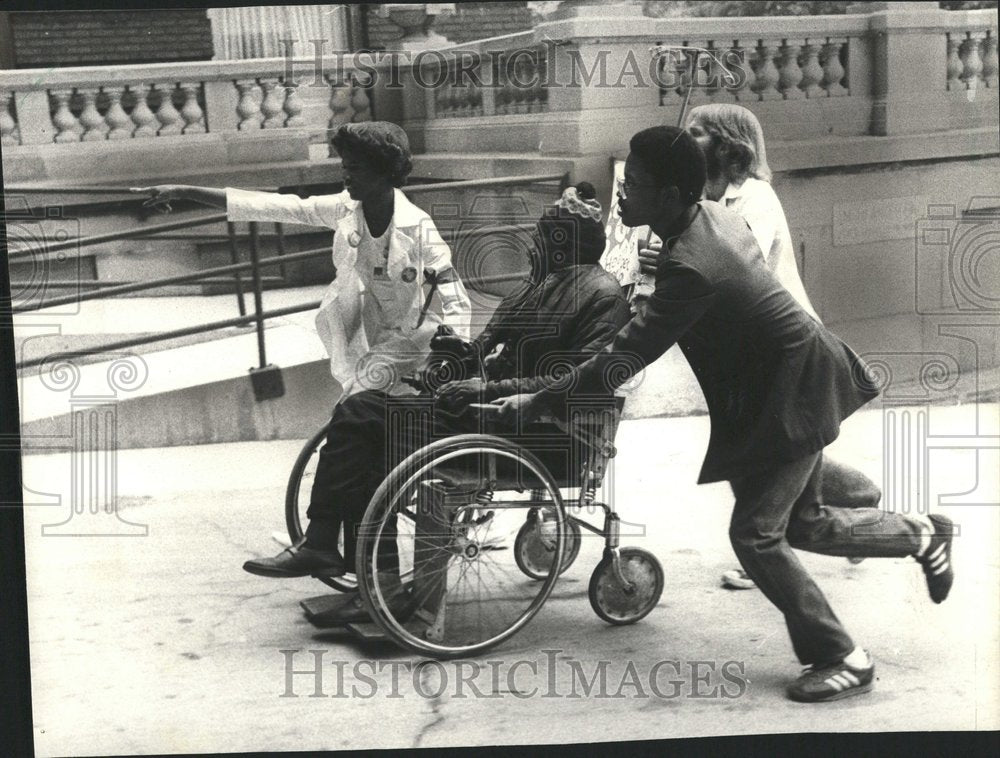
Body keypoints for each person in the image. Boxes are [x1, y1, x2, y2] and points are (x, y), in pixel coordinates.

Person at [492, 126, 955, 703]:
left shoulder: (690, 267)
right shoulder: (710, 217)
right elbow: (710, 266)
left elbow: (623, 356)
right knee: (805, 523)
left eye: (632, 184)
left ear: (668, 196)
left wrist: (537, 399)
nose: (620, 194)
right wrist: (669, 256)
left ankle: (843, 657)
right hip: (775, 388)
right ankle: (921, 532)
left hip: (791, 391)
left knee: (758, 537)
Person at [240, 183, 631, 624]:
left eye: (543, 236)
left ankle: (368, 575)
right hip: (487, 416)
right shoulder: (533, 287)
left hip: (538, 431)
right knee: (360, 409)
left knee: (377, 439)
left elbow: (574, 381)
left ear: (565, 244)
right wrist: (456, 355)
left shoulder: (603, 297)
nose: (533, 244)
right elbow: (482, 350)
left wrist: (483, 390)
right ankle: (326, 543)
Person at [640, 104, 882, 590]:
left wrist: (672, 258)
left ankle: (769, 546)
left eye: (698, 131)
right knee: (786, 454)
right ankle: (862, 497)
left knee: (770, 457)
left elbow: (735, 262)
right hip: (755, 350)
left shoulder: (756, 197)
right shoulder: (708, 197)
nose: (689, 138)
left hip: (784, 346)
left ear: (729, 144)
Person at [133, 121, 472, 401]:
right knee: (381, 418)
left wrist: (454, 355)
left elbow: (454, 297)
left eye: (355, 169)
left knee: (356, 405)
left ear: (384, 172)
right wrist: (183, 191)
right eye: (344, 168)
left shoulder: (419, 228)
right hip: (378, 335)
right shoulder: (344, 209)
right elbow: (278, 206)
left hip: (424, 342)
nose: (346, 177)